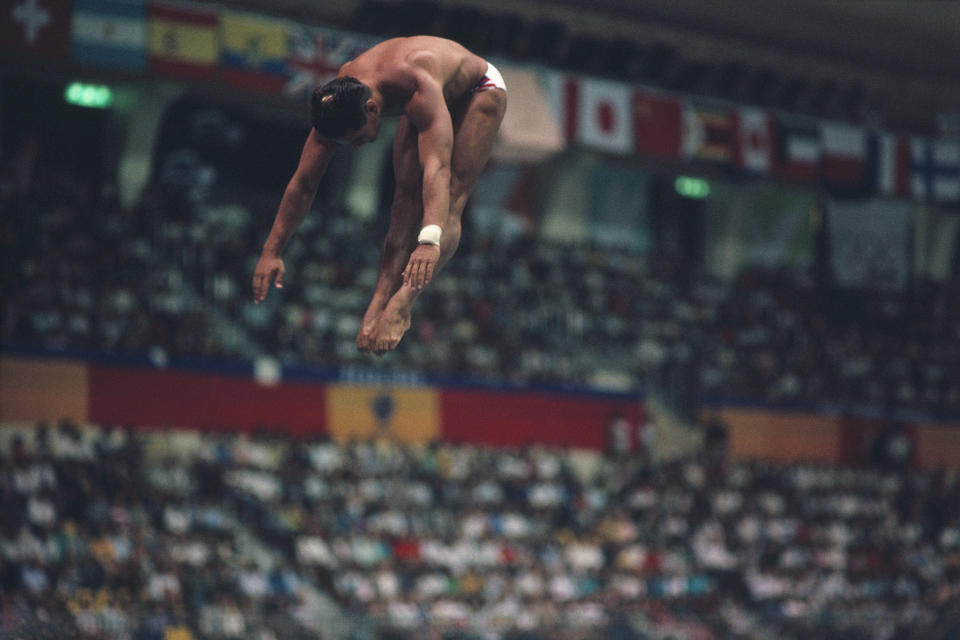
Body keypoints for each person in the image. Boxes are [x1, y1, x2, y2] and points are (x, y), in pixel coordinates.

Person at [252, 36, 507, 354]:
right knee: (403, 201)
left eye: (358, 138)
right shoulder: (336, 100)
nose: (358, 146)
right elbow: (304, 183)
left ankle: (402, 304)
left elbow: (437, 168)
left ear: (373, 109)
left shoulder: (416, 84)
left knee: (450, 199)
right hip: (429, 95)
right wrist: (271, 250)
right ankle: (377, 304)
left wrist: (429, 241)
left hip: (477, 90)